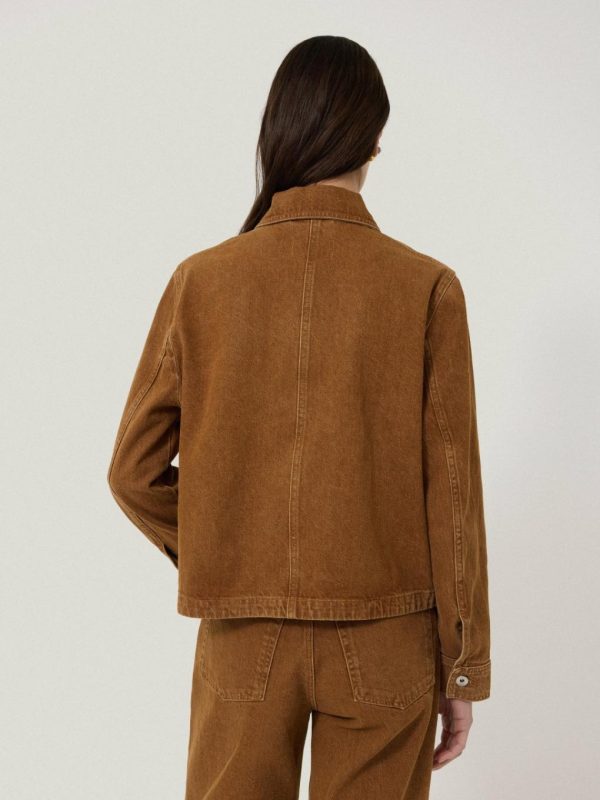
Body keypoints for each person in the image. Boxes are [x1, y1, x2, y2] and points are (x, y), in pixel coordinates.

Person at [107, 34, 491, 800]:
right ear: (373, 141)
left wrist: (226, 546)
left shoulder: (202, 282)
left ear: (279, 133)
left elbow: (132, 473)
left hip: (243, 634)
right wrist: (461, 666)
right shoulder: (426, 288)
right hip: (388, 637)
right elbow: (453, 500)